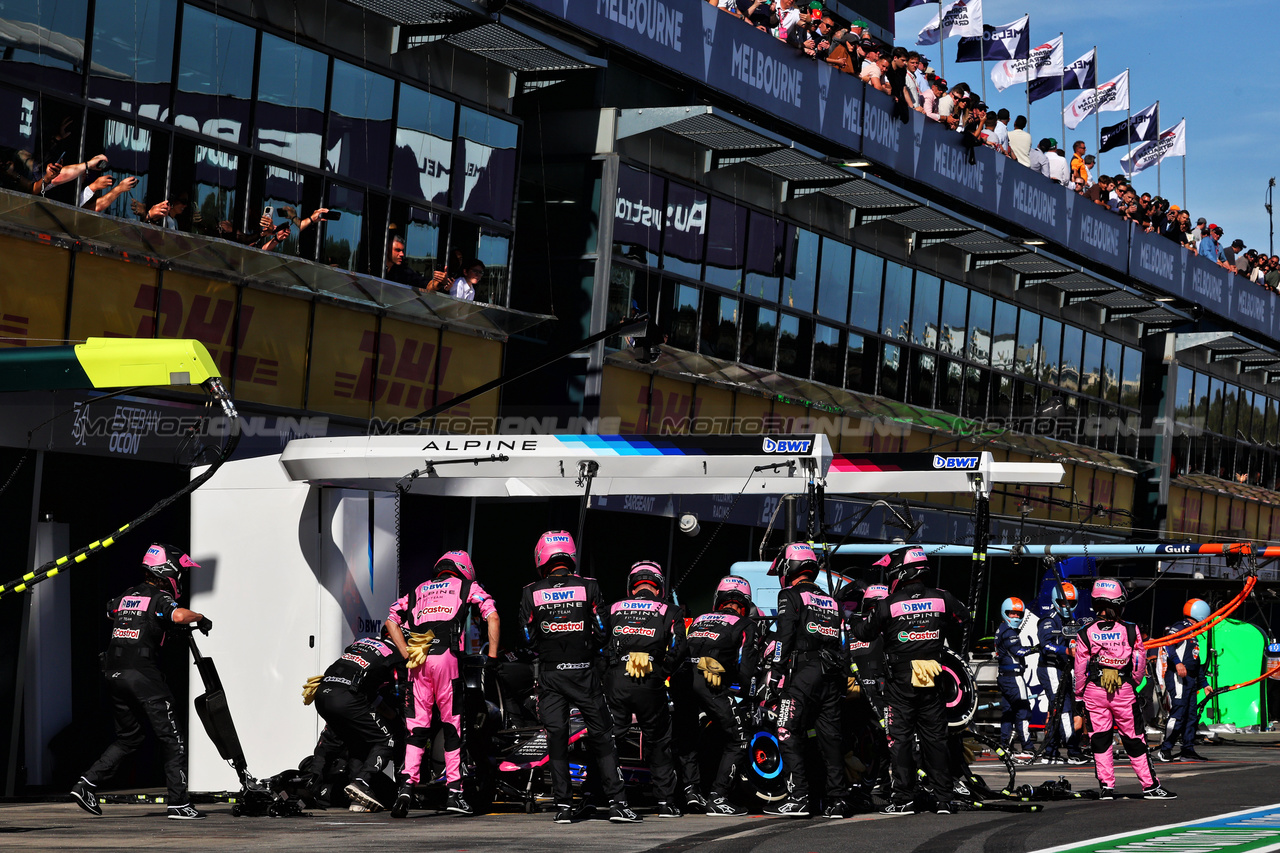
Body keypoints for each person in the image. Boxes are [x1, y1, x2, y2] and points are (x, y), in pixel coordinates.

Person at [70, 544, 211, 820]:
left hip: (113, 674)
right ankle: (179, 804)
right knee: (172, 740)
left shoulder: (126, 596)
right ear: (168, 570)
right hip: (143, 676)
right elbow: (179, 615)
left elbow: (111, 611)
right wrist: (202, 618)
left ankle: (85, 784)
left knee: (129, 738)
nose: (181, 576)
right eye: (180, 570)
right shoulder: (159, 597)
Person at [519, 531, 640, 823]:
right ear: (569, 555)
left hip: (549, 675)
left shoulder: (530, 591)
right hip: (584, 673)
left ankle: (563, 807)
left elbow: (526, 636)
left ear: (541, 556)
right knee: (603, 737)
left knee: (557, 738)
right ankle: (618, 803)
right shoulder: (590, 587)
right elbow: (602, 630)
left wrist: (548, 646)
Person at [851, 546, 969, 815]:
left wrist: (857, 617)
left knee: (900, 739)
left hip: (901, 677)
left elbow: (864, 633)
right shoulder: (942, 597)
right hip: (931, 671)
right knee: (935, 739)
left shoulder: (889, 603)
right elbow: (965, 619)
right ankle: (944, 799)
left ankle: (904, 798)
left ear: (901, 570)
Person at [385, 550, 500, 818]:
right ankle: (455, 793)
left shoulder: (417, 591)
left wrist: (405, 654)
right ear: (464, 570)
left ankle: (405, 789)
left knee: (416, 730)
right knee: (452, 726)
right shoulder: (467, 586)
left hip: (418, 661)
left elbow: (391, 619)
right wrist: (492, 658)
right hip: (447, 659)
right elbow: (492, 615)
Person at [764, 543, 848, 818]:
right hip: (832, 676)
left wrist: (775, 673)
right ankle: (837, 800)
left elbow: (784, 637)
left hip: (804, 674)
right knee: (831, 739)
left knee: (786, 729)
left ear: (790, 567)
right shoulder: (832, 601)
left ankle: (799, 797)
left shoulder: (789, 594)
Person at [1073, 578, 1176, 800]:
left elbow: (1080, 668)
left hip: (1094, 691)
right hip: (1123, 691)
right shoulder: (1131, 630)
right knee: (1134, 738)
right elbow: (1138, 665)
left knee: (1099, 739)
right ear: (1120, 602)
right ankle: (1150, 787)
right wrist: (1130, 682)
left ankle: (1107, 788)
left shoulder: (1084, 632)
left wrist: (1079, 695)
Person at [605, 561, 687, 818]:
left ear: (632, 585)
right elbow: (679, 649)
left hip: (617, 678)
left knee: (608, 741)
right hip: (650, 680)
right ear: (659, 586)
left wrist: (611, 671)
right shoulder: (671, 610)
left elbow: (598, 644)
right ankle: (665, 803)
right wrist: (661, 671)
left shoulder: (613, 608)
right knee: (659, 740)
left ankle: (605, 798)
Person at [672, 575, 758, 816]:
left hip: (681, 679)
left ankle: (691, 792)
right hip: (710, 681)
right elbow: (746, 671)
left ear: (718, 599)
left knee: (687, 738)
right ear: (746, 603)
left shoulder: (699, 619)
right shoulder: (746, 624)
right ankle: (718, 797)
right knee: (739, 738)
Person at [303, 629, 406, 812]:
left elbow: (369, 690)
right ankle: (362, 782)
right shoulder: (397, 652)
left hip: (322, 692)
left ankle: (311, 784)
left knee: (339, 740)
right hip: (347, 697)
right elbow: (402, 691)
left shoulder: (361, 642)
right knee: (387, 738)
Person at [836, 580, 890, 808]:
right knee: (880, 739)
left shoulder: (852, 623)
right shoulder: (855, 625)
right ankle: (871, 783)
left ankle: (875, 783)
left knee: (878, 739)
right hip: (863, 693)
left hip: (863, 691)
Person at [1156, 598, 1213, 762]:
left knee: (1191, 716)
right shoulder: (1181, 627)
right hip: (1178, 677)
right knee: (1179, 713)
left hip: (1190, 680)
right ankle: (1165, 749)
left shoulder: (1193, 634)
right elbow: (1168, 643)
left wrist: (1204, 684)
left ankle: (1187, 749)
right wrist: (1178, 663)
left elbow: (1196, 662)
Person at [1037, 582, 1088, 764]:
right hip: (1050, 667)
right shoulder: (1048, 620)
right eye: (1063, 602)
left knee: (1057, 709)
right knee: (1064, 709)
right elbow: (1045, 645)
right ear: (1055, 601)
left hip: (1065, 669)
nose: (1067, 606)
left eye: (1071, 602)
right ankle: (1073, 750)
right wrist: (1065, 651)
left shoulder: (1071, 621)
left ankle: (1050, 751)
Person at [995, 597, 1035, 761]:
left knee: (1008, 712)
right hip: (1014, 679)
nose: (1016, 617)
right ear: (1005, 613)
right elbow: (1019, 651)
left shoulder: (1001, 629)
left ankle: (1004, 745)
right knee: (1023, 711)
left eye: (1019, 614)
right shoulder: (1009, 632)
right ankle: (1028, 748)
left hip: (1004, 678)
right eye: (1012, 613)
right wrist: (1036, 648)